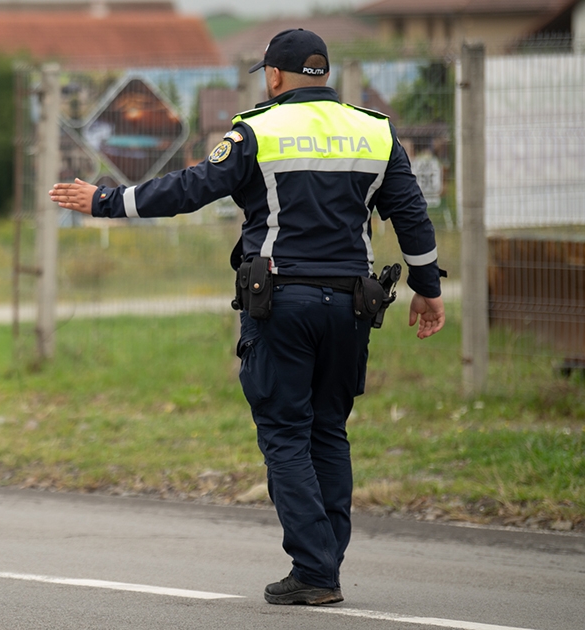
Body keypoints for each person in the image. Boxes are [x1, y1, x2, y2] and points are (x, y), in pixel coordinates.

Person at [49, 28, 446, 606]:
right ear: (325, 74)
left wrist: (107, 201)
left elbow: (189, 188)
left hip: (281, 303)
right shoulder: (376, 130)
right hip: (351, 306)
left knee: (285, 433)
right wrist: (428, 289)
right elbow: (413, 217)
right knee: (328, 430)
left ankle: (315, 572)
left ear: (276, 76)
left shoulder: (257, 130)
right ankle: (324, 560)